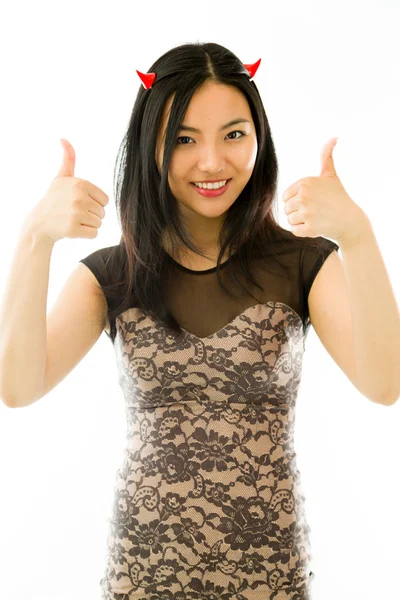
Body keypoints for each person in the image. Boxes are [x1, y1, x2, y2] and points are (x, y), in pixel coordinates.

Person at [2, 41, 345, 598]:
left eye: (234, 134)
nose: (211, 161)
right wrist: (32, 238)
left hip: (271, 579)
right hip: (141, 578)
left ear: (259, 137)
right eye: (183, 139)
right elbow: (16, 388)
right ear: (150, 148)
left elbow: (386, 385)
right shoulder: (113, 275)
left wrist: (359, 236)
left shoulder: (304, 264)